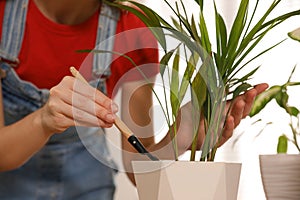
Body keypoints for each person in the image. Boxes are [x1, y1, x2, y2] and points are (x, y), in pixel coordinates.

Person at [0, 0, 268, 199]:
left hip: (89, 191)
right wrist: (45, 120)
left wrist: (182, 136)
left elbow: (137, 169)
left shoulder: (131, 26)